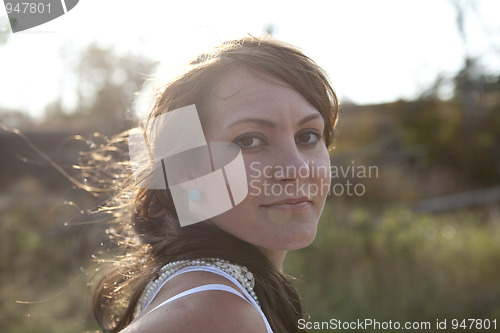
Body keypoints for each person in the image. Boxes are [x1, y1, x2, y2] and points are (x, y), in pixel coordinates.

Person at [92, 36, 339, 333]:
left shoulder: (204, 291)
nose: (296, 169)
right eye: (249, 140)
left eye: (308, 136)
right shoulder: (217, 312)